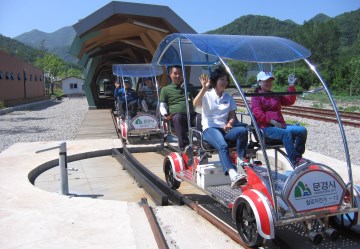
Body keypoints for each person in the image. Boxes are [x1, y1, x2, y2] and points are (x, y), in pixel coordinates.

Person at [193, 67, 248, 188]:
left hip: (224, 129)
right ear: (215, 81)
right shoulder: (207, 95)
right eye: (221, 79)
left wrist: (230, 123)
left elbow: (232, 116)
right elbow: (195, 104)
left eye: (226, 80)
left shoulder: (228, 97)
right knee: (223, 145)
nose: (224, 82)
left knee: (243, 131)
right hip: (210, 129)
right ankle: (233, 174)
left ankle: (240, 161)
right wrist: (203, 88)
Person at [250, 71, 307, 167]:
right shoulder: (256, 97)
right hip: (266, 128)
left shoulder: (275, 95)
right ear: (259, 82)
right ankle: (295, 160)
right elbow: (258, 114)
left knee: (302, 130)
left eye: (270, 81)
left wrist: (291, 85)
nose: (269, 83)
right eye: (265, 81)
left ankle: (298, 156)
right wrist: (272, 122)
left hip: (281, 126)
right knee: (285, 133)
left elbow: (289, 101)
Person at [159, 65, 198, 151]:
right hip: (177, 116)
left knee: (201, 118)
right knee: (178, 117)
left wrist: (205, 88)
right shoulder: (165, 89)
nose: (178, 76)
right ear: (170, 75)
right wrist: (165, 114)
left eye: (180, 74)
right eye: (175, 73)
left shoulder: (190, 86)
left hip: (191, 115)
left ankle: (203, 143)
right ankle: (185, 146)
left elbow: (199, 99)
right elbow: (162, 106)